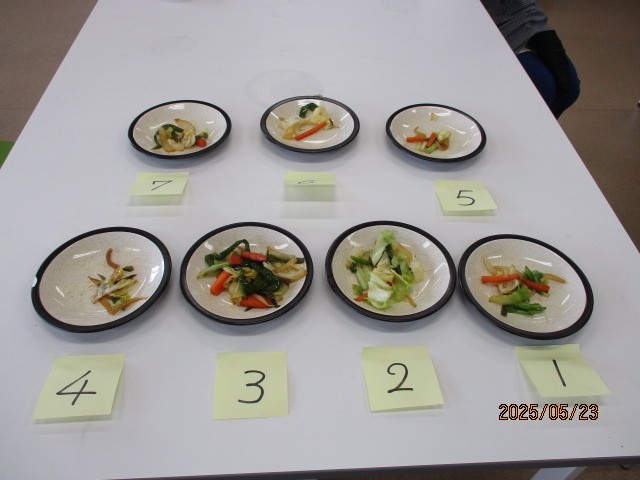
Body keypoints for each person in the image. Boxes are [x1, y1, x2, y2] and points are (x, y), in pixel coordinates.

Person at [481, 0, 580, 118]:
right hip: (489, 22)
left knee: (569, 89)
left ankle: (539, 125)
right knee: (541, 86)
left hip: (528, 15)